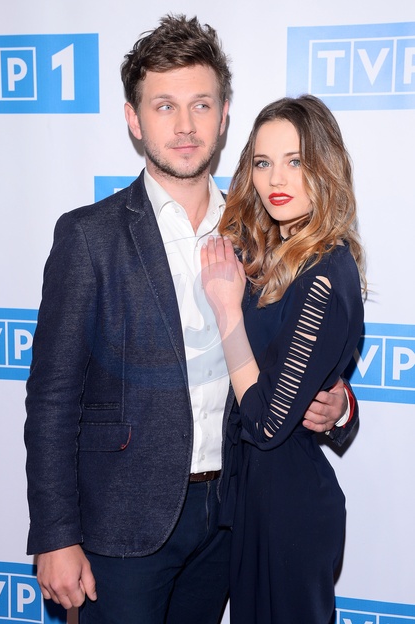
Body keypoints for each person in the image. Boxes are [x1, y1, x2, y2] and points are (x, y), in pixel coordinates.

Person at [24, 16, 357, 624]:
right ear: (134, 119)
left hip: (232, 517)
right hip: (123, 526)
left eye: (200, 105)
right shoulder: (89, 237)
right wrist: (55, 535)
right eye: (164, 106)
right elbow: (52, 398)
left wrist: (339, 405)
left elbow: (297, 355)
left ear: (224, 116)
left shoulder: (263, 236)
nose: (184, 125)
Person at [201, 94, 366, 624]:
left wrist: (229, 312)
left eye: (295, 161)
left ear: (324, 167)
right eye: (263, 162)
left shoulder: (324, 274)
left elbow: (268, 423)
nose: (277, 178)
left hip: (288, 511)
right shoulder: (273, 253)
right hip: (253, 501)